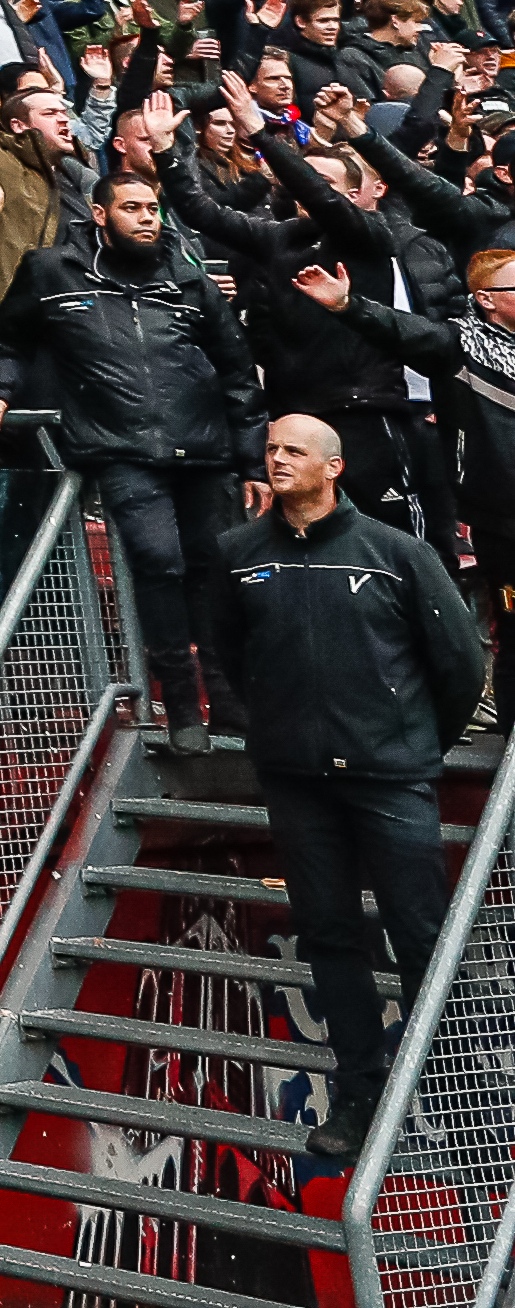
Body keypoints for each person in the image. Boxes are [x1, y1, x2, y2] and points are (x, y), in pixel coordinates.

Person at [212, 411, 484, 1158]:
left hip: (390, 779)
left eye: (294, 450)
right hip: (298, 783)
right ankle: (358, 1095)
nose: (276, 459)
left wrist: (415, 744)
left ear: (333, 467)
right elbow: (233, 658)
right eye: (271, 448)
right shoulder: (239, 554)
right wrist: (279, 731)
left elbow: (459, 664)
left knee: (422, 937)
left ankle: (463, 1098)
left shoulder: (396, 552)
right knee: (330, 937)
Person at [0, 163, 267, 739]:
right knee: (158, 563)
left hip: (205, 449)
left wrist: (251, 461)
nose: (148, 220)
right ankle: (183, 708)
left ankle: (229, 700)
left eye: (153, 210)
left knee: (214, 571)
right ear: (99, 214)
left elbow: (238, 372)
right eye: (133, 209)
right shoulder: (51, 270)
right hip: (118, 446)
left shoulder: (190, 280)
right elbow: (6, 337)